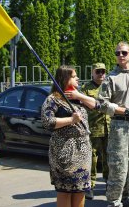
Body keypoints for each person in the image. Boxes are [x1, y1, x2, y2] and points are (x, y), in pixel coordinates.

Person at [97, 42, 129, 207]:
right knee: (118, 169)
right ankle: (114, 202)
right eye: (118, 53)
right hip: (119, 127)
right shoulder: (110, 78)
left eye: (124, 53)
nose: (120, 55)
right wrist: (125, 111)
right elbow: (102, 104)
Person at [41, 66, 95, 207]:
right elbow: (47, 122)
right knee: (65, 190)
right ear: (65, 78)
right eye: (74, 76)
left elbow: (96, 105)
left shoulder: (78, 96)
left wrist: (79, 96)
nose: (77, 78)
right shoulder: (53, 99)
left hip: (82, 151)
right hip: (64, 151)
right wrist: (71, 120)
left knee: (80, 189)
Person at [81, 63, 110, 200]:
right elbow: (85, 105)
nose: (101, 74)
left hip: (109, 128)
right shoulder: (86, 88)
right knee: (91, 159)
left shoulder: (108, 86)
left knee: (109, 158)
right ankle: (90, 186)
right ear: (92, 73)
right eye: (98, 72)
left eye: (103, 72)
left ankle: (109, 184)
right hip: (93, 129)